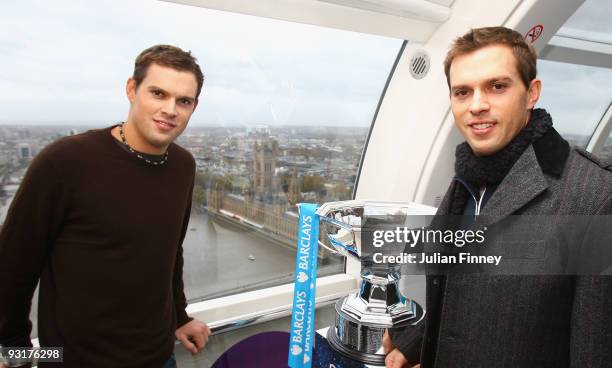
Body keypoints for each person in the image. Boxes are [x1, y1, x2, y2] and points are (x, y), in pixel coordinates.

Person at [383, 27, 611, 368]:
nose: (477, 105)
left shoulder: (595, 198)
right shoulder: (468, 178)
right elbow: (460, 290)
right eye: (462, 91)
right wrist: (417, 342)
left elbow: (594, 351)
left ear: (532, 92)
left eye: (497, 86)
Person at [0, 45, 211, 367]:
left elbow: (170, 251)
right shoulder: (66, 161)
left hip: (158, 357)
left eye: (184, 101)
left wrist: (179, 317)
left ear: (194, 107)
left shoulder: (183, 165)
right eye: (158, 93)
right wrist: (13, 352)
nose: (170, 109)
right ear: (131, 89)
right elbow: (13, 264)